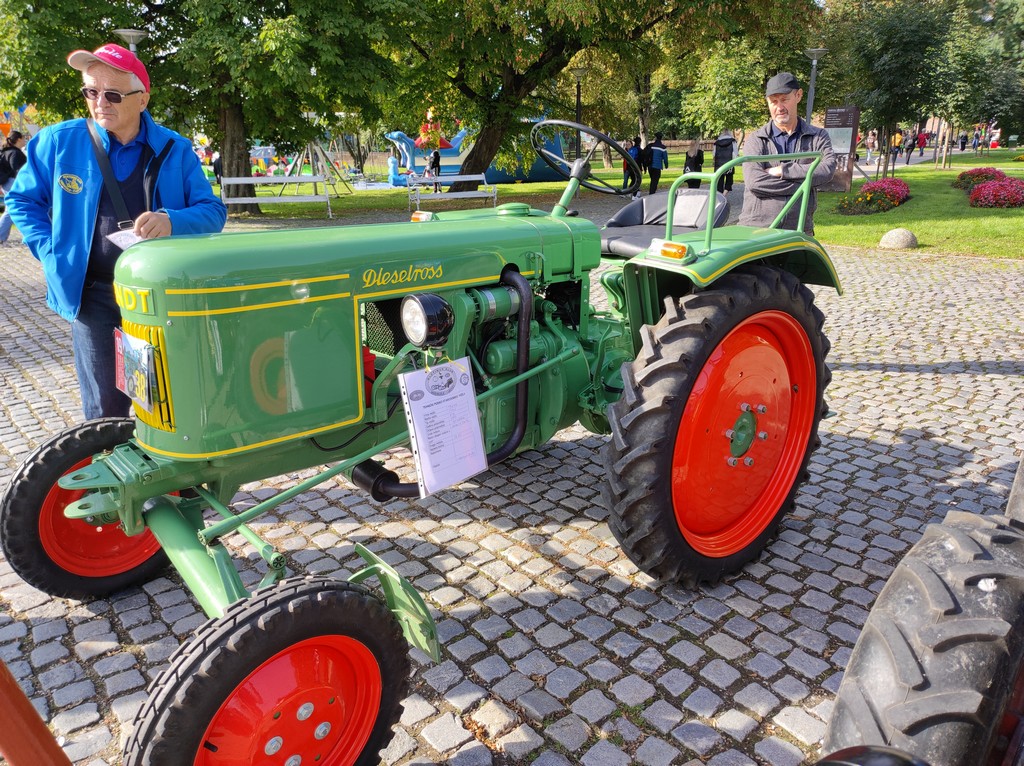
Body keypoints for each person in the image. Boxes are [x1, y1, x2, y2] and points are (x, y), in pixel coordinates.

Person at [6, 43, 227, 420]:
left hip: (160, 295)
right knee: (106, 408)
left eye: (112, 94)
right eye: (90, 92)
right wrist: (49, 250)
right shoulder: (59, 142)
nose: (99, 103)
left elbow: (213, 211)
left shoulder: (175, 149)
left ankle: (169, 476)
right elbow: (22, 201)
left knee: (166, 398)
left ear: (142, 99)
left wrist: (173, 221)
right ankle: (110, 474)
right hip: (92, 296)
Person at [737, 72, 836, 236]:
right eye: (774, 102)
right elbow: (755, 182)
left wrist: (785, 171)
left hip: (799, 230)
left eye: (784, 99)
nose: (779, 107)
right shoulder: (756, 139)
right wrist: (805, 185)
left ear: (798, 95)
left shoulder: (818, 136)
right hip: (756, 229)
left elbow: (827, 170)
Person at [0, 130, 29, 245]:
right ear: (18, 139)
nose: (24, 141)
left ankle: (2, 235)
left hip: (7, 183)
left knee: (12, 209)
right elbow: (18, 170)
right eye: (23, 138)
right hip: (13, 183)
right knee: (14, 209)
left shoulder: (6, 151)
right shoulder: (15, 153)